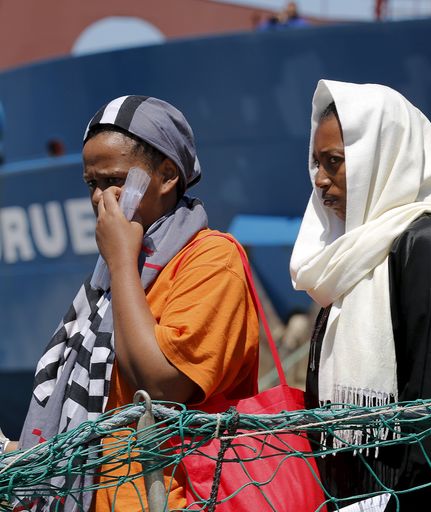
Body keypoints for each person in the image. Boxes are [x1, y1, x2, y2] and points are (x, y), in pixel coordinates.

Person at [15, 96, 260, 511]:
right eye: (92, 184)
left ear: (167, 176)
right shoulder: (114, 274)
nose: (100, 199)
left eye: (115, 180)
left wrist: (121, 263)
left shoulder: (211, 259)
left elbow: (164, 384)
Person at [291, 80, 431, 511]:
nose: (320, 180)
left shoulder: (426, 242)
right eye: (316, 163)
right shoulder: (351, 255)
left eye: (335, 162)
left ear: (381, 159)